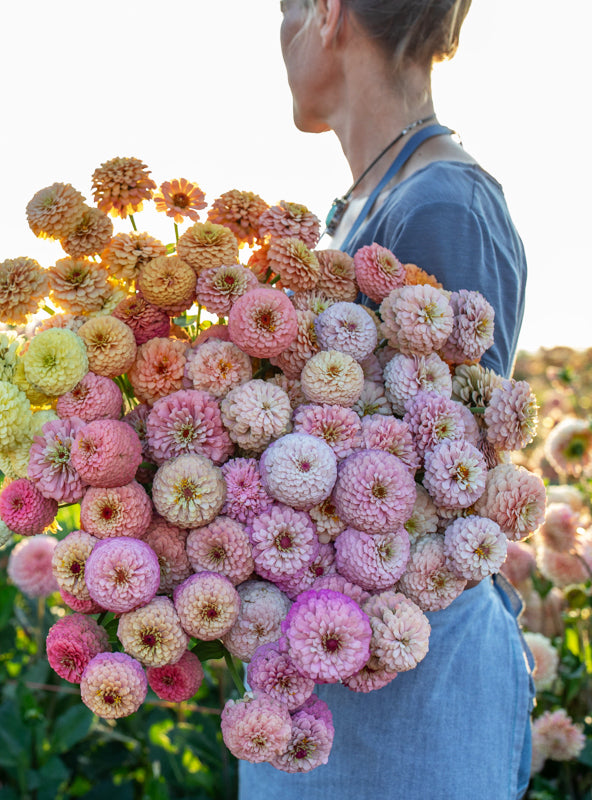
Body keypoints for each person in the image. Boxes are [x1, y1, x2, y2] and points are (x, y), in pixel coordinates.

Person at [239, 1, 534, 798]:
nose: (280, 31)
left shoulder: (442, 206)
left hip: (406, 703)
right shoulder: (383, 197)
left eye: (286, 7)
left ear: (329, 13)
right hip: (349, 683)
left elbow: (445, 485)